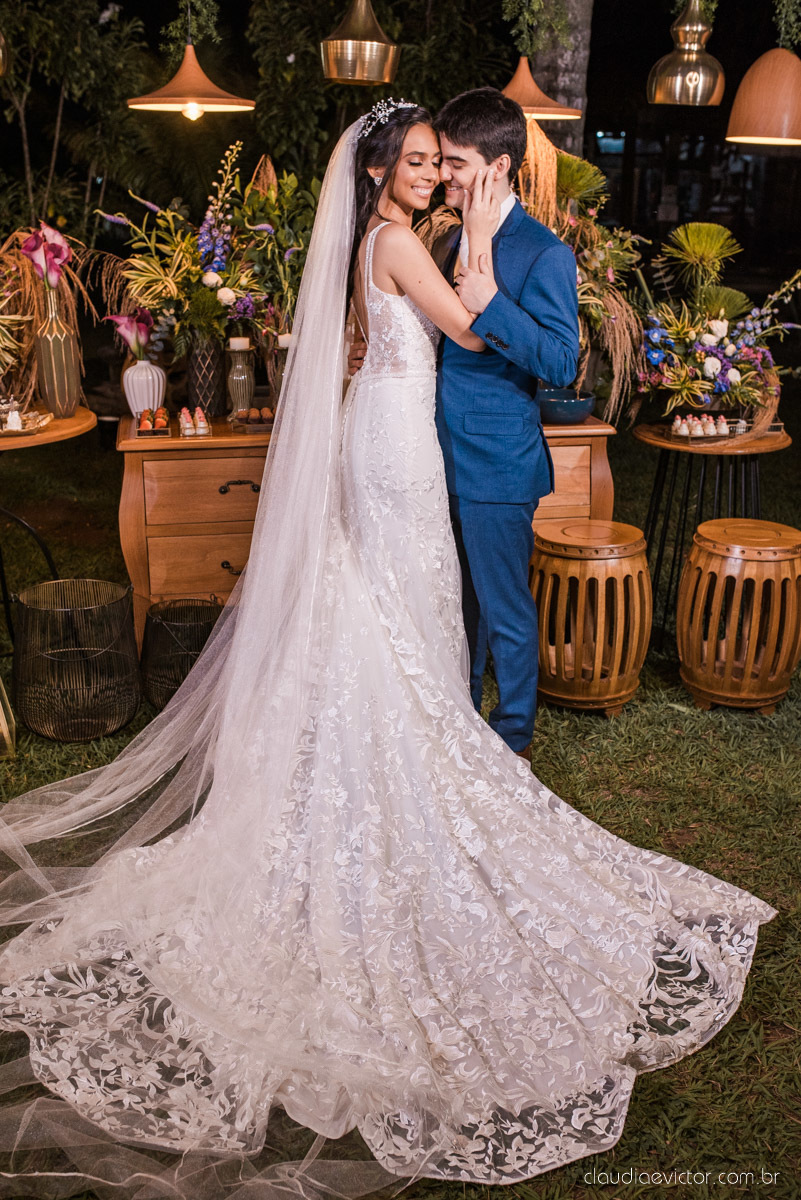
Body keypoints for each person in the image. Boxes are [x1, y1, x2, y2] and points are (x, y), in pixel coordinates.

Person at [0, 101, 777, 1200]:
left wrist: (494, 235)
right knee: (403, 605)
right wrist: (488, 240)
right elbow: (468, 328)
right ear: (377, 173)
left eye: (440, 162)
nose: (431, 175)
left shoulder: (387, 237)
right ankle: (423, 758)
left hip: (394, 430)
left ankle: (412, 744)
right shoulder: (407, 239)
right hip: (401, 446)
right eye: (418, 162)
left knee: (395, 607)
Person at [350, 87, 580, 759]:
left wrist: (491, 307)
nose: (442, 175)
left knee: (503, 609)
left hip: (495, 461)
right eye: (437, 161)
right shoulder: (447, 236)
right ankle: (460, 723)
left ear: (499, 167)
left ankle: (511, 742)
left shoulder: (543, 253)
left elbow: (561, 362)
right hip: (425, 452)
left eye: (454, 162)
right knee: (457, 603)